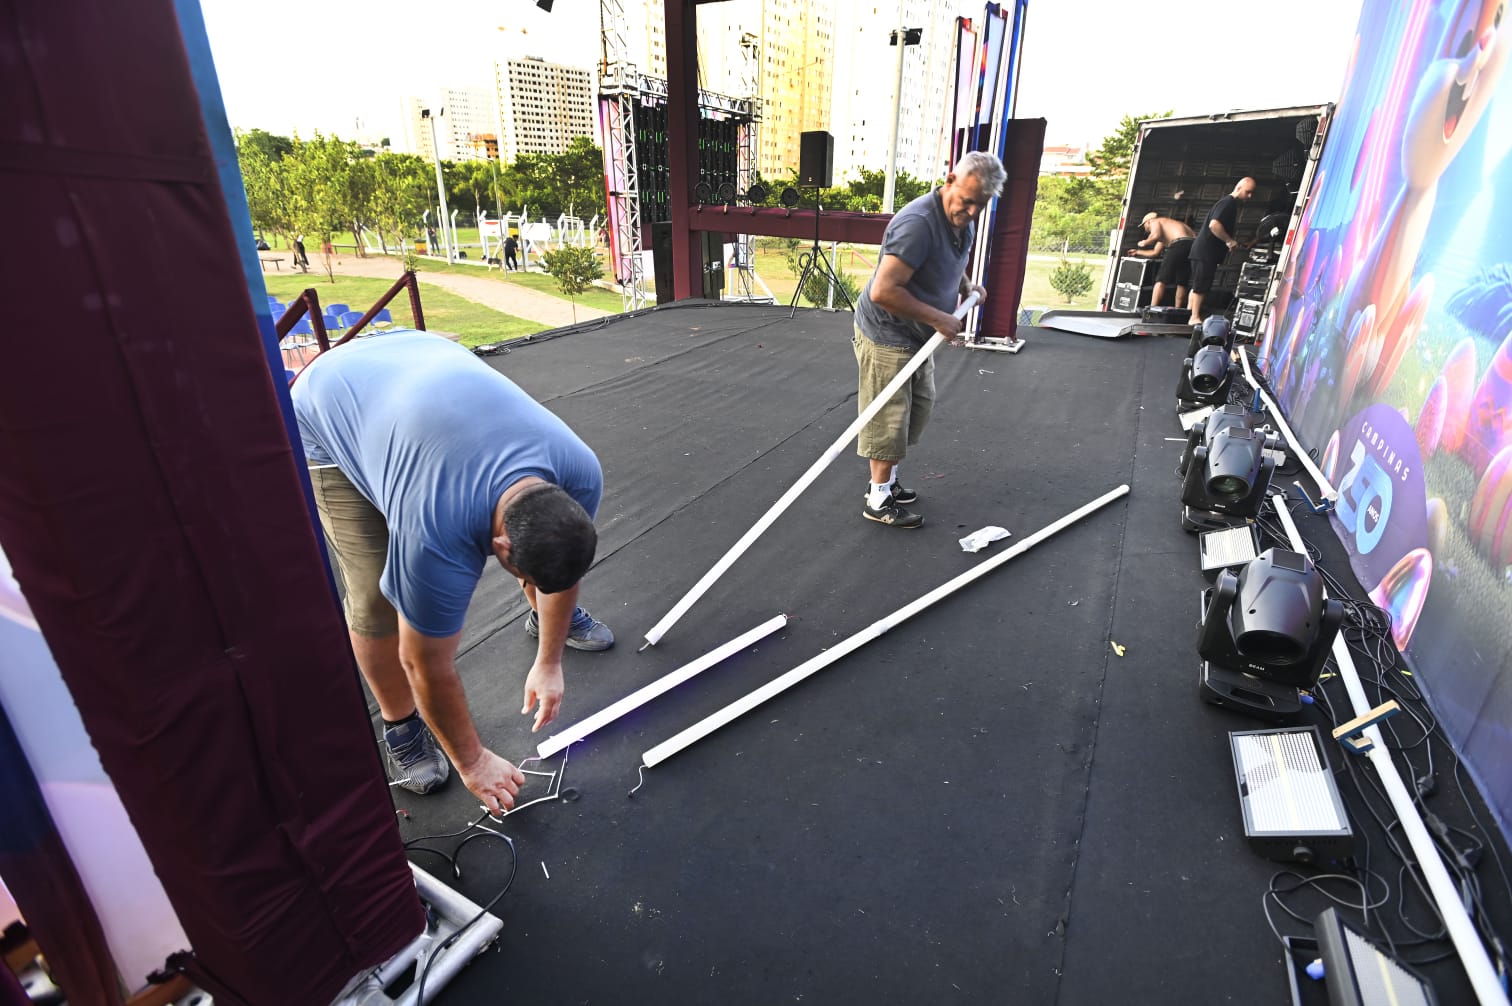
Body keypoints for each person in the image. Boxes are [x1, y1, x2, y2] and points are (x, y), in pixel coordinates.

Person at [291, 330, 614, 815]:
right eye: (528, 579)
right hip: (329, 406)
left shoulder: (581, 474)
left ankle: (545, 620)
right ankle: (400, 725)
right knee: (375, 598)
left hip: (419, 369)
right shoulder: (435, 530)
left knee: (549, 552)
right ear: (498, 548)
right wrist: (473, 762)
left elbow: (560, 569)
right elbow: (424, 662)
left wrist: (549, 663)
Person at [852, 150, 1004, 528]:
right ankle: (878, 498)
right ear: (950, 180)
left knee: (916, 410)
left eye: (980, 204)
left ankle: (888, 481)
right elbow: (883, 291)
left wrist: (967, 286)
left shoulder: (962, 220)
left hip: (919, 335)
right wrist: (940, 318)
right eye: (967, 201)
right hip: (887, 332)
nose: (971, 211)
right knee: (889, 419)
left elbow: (950, 260)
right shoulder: (918, 224)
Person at [1187, 177, 1257, 325]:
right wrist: (1228, 240)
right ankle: (1194, 317)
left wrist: (1231, 241)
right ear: (1239, 188)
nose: (1250, 196)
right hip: (1206, 252)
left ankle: (1189, 314)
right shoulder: (1228, 203)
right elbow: (1214, 225)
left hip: (1202, 251)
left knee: (1198, 284)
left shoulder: (1229, 204)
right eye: (1248, 192)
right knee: (1201, 286)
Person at [1126, 211, 1195, 308]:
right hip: (1192, 246)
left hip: (1179, 244)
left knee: (1161, 279)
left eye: (1144, 226)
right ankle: (1178, 309)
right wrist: (1137, 252)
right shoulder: (1171, 227)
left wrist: (1145, 242)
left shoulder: (1156, 221)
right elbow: (1155, 252)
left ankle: (1152, 308)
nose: (1145, 229)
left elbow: (1155, 235)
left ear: (1148, 222)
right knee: (1182, 281)